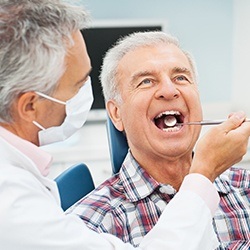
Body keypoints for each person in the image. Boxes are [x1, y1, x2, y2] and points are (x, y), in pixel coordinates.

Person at [68, 31, 250, 249]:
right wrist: (204, 173)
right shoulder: (86, 228)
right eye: (146, 81)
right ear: (116, 114)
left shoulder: (245, 188)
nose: (169, 90)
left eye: (180, 78)